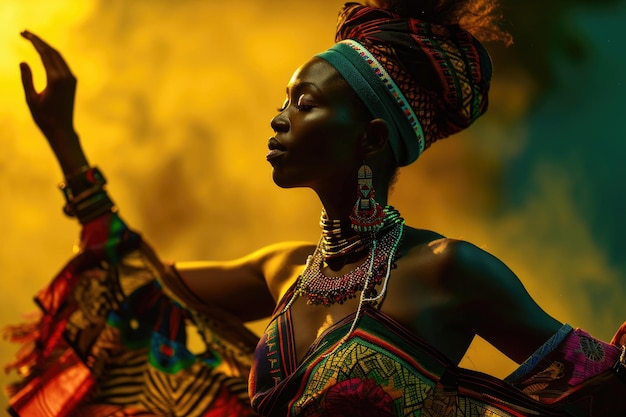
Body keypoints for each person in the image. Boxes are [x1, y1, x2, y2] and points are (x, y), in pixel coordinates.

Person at [5, 1, 626, 416]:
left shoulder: (448, 271)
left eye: (306, 102)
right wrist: (66, 142)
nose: (280, 117)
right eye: (286, 99)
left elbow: (602, 385)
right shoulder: (283, 272)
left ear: (373, 139)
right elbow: (132, 287)